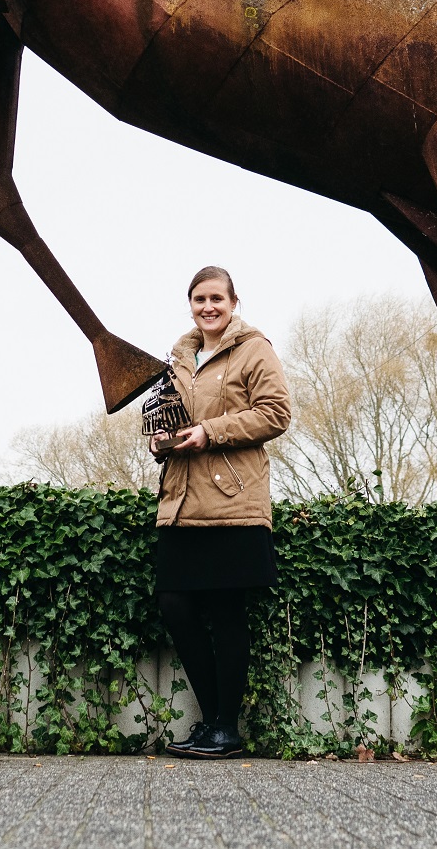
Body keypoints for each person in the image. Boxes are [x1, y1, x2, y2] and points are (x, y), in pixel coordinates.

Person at [149, 266, 291, 759]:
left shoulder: (255, 349)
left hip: (233, 501)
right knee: (175, 603)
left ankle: (225, 728)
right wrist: (162, 439)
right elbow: (164, 412)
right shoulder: (178, 359)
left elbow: (277, 412)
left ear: (234, 302)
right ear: (189, 304)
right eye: (198, 298)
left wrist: (211, 431)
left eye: (216, 298)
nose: (207, 306)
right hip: (181, 500)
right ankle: (212, 724)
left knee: (226, 611)